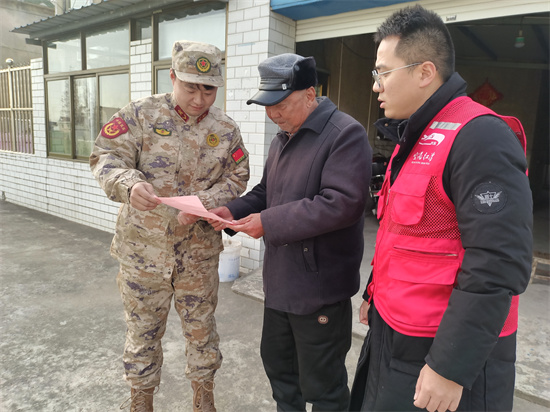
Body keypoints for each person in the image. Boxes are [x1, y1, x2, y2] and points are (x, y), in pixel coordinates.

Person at [348, 5, 533, 412]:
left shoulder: (480, 137)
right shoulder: (412, 137)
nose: (375, 85)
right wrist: (374, 292)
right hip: (394, 333)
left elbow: (499, 261)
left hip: (440, 348)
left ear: (424, 72)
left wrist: (450, 366)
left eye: (382, 71)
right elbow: (401, 230)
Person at [89, 40, 249, 412]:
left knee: (201, 332)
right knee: (142, 333)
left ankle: (203, 399)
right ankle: (141, 401)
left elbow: (238, 176)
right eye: (191, 86)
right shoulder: (140, 115)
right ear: (173, 76)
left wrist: (204, 204)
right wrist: (130, 184)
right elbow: (105, 156)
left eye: (208, 89)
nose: (199, 98)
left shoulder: (225, 129)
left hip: (198, 254)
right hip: (144, 255)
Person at [207, 53, 372, 411]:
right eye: (268, 105)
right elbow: (267, 191)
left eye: (281, 104)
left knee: (324, 387)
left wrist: (269, 222)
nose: (273, 114)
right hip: (280, 284)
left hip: (319, 289)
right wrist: (232, 210)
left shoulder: (345, 135)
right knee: (282, 376)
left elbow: (342, 203)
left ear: (310, 95)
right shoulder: (282, 138)